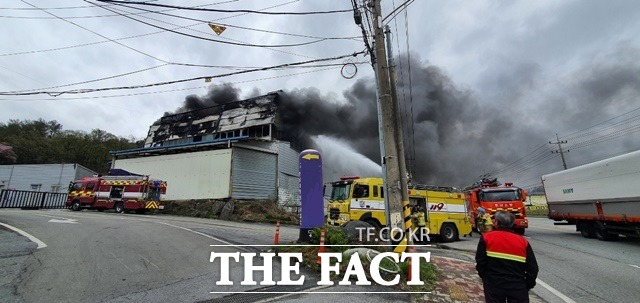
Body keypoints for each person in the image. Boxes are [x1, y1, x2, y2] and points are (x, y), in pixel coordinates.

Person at [476, 211, 538, 303]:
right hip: (517, 287)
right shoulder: (523, 242)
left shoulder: (486, 238)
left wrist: (486, 278)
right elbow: (533, 268)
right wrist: (527, 285)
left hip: (494, 284)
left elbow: (481, 262)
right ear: (512, 223)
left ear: (496, 222)